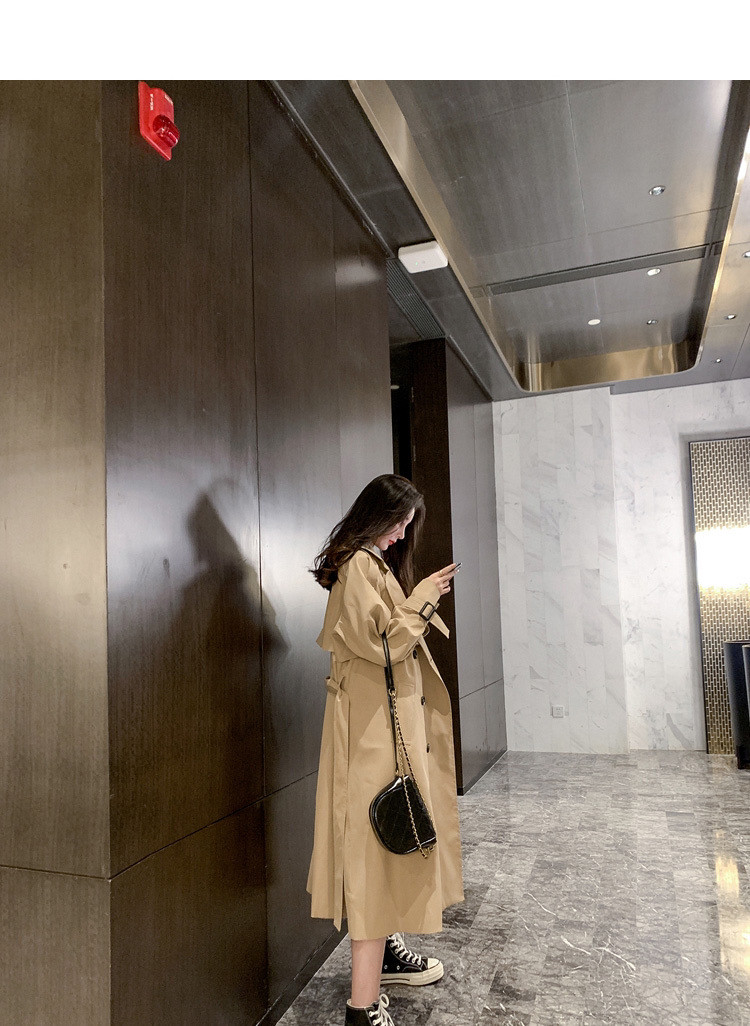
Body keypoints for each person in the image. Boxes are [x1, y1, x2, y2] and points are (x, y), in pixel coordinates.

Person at [307, 474, 464, 1026]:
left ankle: (388, 957)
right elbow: (383, 644)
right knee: (374, 852)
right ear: (377, 515)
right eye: (398, 522)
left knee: (387, 841)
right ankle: (362, 1007)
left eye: (406, 525)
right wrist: (423, 599)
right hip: (372, 734)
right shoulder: (358, 566)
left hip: (381, 728)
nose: (401, 534)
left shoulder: (370, 563)